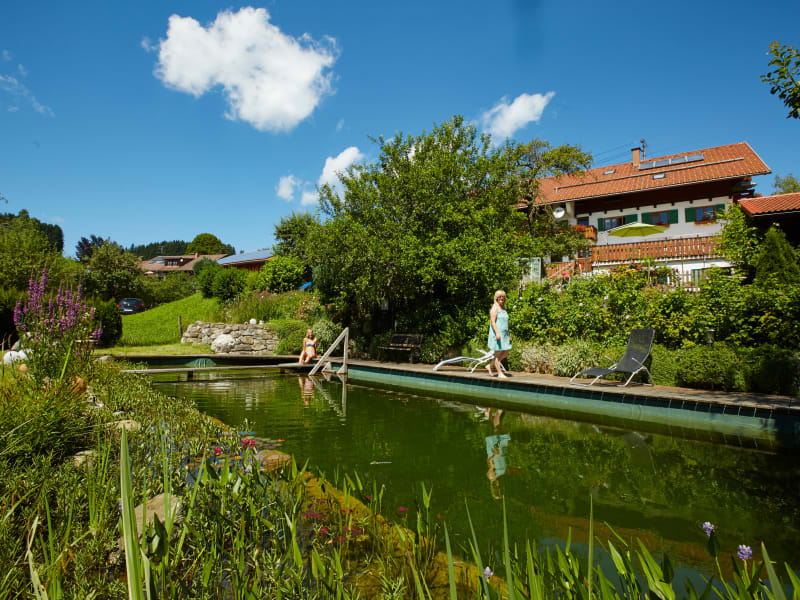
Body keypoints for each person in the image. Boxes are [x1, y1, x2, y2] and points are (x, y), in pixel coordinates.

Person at [486, 290, 511, 378]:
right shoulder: (495, 308)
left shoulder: (504, 308)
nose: (502, 298)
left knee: (505, 352)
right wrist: (497, 333)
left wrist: (509, 334)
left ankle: (490, 366)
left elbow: (505, 323)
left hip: (505, 335)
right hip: (498, 334)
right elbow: (493, 322)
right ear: (496, 298)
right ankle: (500, 373)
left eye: (503, 297)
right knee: (498, 353)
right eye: (500, 296)